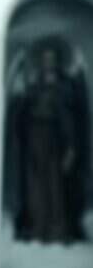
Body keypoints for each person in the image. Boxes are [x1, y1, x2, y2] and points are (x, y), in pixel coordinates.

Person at [12, 36, 87, 243]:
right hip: (34, 137)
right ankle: (38, 228)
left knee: (56, 184)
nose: (48, 63)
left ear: (57, 62)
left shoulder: (65, 85)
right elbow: (24, 109)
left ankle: (57, 230)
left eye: (52, 59)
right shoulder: (34, 84)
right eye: (45, 59)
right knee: (35, 183)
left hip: (56, 138)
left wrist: (70, 146)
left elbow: (70, 114)